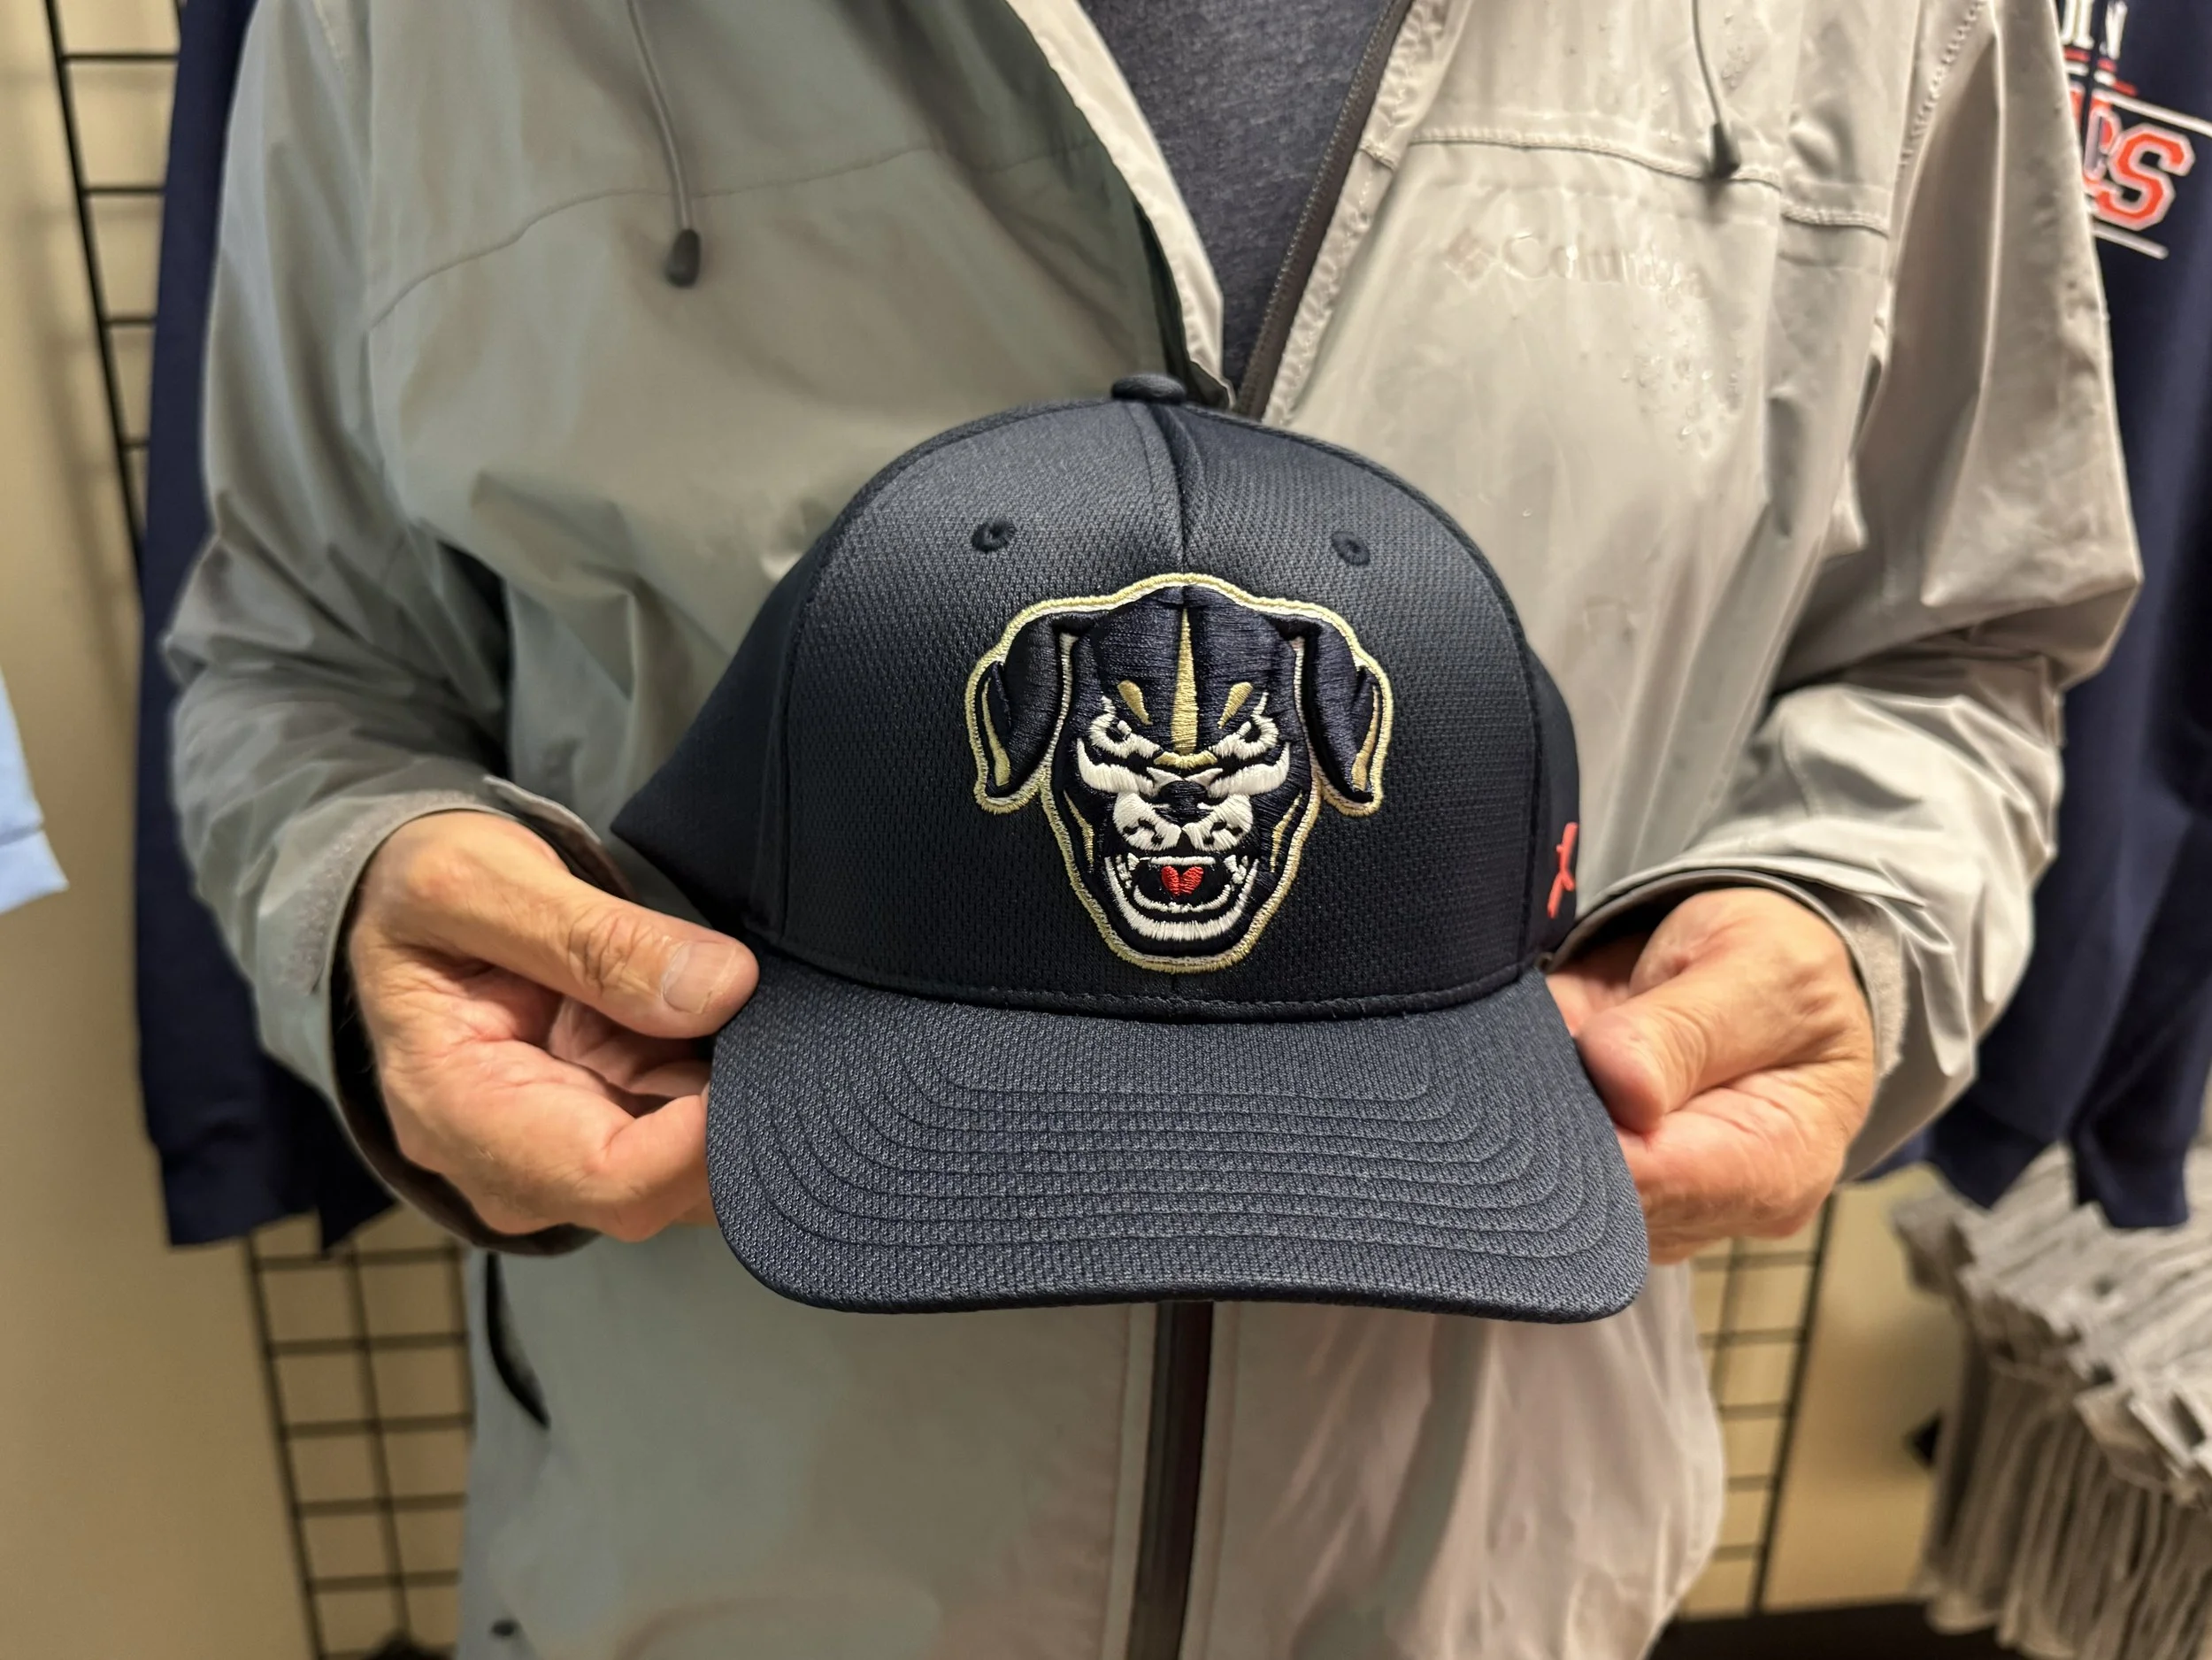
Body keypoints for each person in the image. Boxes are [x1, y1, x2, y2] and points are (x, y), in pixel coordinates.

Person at [166, 0, 2135, 1655]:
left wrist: (1852, 916)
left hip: (1490, 1555)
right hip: (715, 1555)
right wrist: (355, 898)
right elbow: (302, 657)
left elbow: (1963, 641)